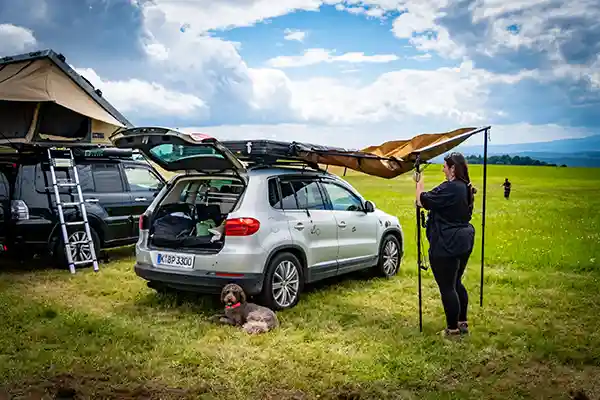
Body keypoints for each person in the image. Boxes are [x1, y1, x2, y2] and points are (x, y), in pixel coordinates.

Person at [415, 152, 476, 338]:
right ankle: (462, 322)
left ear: (452, 169)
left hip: (446, 243)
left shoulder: (451, 188)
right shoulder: (466, 187)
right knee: (456, 282)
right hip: (464, 240)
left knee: (447, 287)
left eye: (444, 166)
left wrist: (419, 181)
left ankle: (452, 330)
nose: (442, 169)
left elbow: (422, 200)